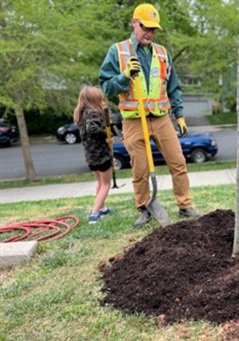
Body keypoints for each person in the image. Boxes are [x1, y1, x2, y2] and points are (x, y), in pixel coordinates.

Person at [99, 3, 200, 227]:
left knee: (178, 162)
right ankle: (144, 208)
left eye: (153, 29)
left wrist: (179, 115)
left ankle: (185, 205)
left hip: (161, 118)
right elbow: (106, 87)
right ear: (134, 23)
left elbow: (173, 87)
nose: (150, 33)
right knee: (141, 169)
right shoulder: (118, 51)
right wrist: (124, 77)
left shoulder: (163, 53)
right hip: (134, 120)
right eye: (146, 27)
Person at [73, 86, 114, 224]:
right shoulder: (93, 113)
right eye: (101, 99)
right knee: (106, 184)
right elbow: (93, 129)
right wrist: (107, 135)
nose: (103, 101)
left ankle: (103, 209)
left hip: (90, 155)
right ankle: (94, 213)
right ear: (94, 100)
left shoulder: (82, 113)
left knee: (100, 182)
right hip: (101, 154)